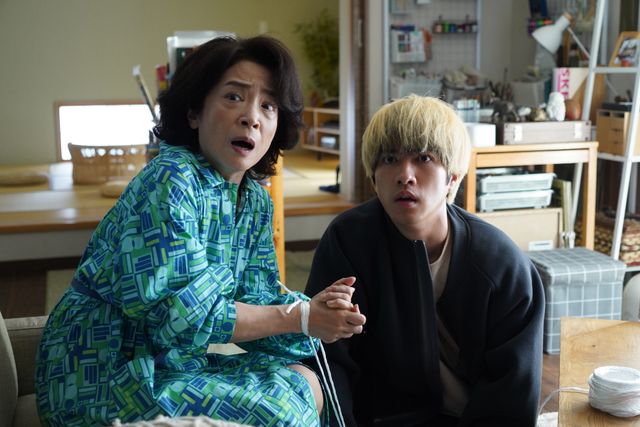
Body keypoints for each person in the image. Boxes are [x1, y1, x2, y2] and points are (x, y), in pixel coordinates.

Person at [35, 35, 366, 427]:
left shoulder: (254, 201)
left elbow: (258, 299)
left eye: (268, 105)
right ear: (194, 112)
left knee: (305, 382)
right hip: (104, 374)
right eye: (234, 97)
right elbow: (180, 318)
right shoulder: (170, 179)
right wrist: (300, 317)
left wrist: (315, 312)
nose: (252, 117)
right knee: (282, 410)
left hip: (173, 365)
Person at [304, 95, 545, 426]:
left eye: (424, 158)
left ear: (452, 178)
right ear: (373, 178)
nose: (405, 175)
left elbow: (513, 396)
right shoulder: (348, 241)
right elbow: (327, 359)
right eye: (390, 159)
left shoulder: (503, 267)